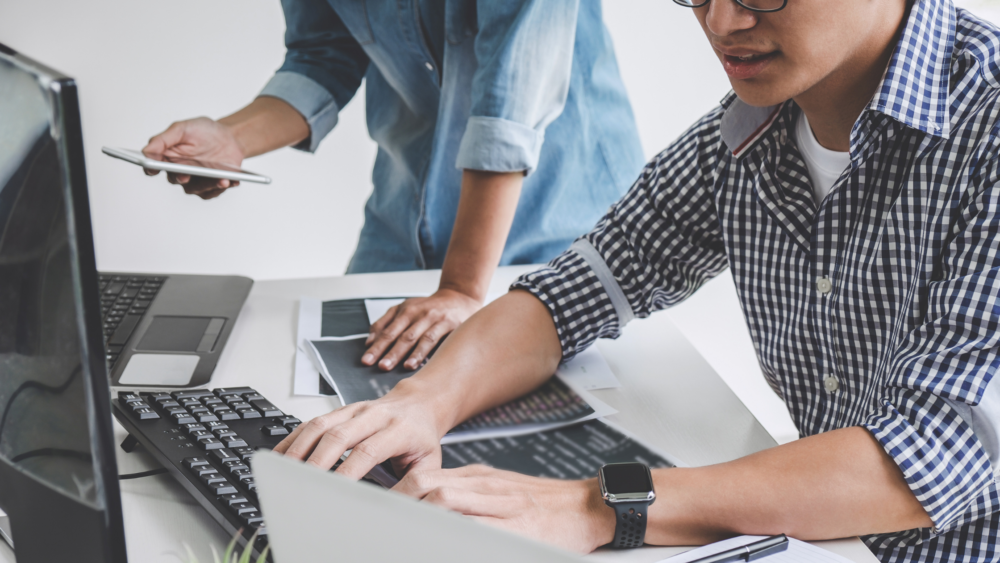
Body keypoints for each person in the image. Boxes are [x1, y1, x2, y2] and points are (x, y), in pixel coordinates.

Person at [274, 0, 1000, 560]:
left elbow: (927, 455)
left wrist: (597, 504)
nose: (722, 23)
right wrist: (419, 405)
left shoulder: (988, 127)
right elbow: (568, 294)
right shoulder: (746, 132)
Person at [141, 0, 644, 371]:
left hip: (558, 220)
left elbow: (509, 106)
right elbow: (322, 56)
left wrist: (459, 289)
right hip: (403, 218)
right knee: (332, 386)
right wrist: (231, 138)